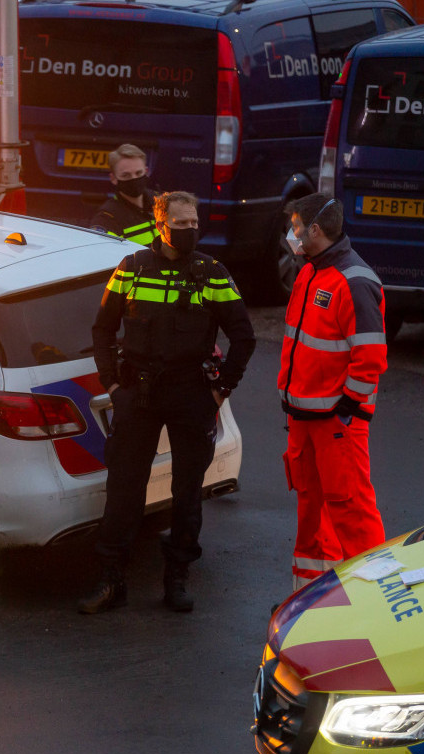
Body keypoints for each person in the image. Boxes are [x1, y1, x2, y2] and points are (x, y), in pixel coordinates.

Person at [81, 190, 256, 614]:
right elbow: (103, 331)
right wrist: (112, 386)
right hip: (137, 394)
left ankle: (176, 580)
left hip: (191, 394)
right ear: (161, 226)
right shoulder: (132, 268)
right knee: (124, 491)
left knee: (186, 494)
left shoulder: (210, 273)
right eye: (181, 225)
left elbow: (244, 336)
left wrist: (221, 389)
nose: (190, 231)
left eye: (195, 224)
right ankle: (111, 582)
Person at [279, 193, 387, 589]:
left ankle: (374, 601)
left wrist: (346, 407)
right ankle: (309, 603)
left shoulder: (354, 281)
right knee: (312, 512)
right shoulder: (310, 271)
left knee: (352, 514)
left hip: (336, 423)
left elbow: (371, 357)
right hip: (306, 420)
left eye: (295, 227)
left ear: (316, 231)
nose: (292, 234)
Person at [90, 143, 160, 246]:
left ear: (146, 171)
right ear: (113, 178)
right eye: (126, 175)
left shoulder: (162, 203)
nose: (134, 178)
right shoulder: (107, 219)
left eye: (138, 173)